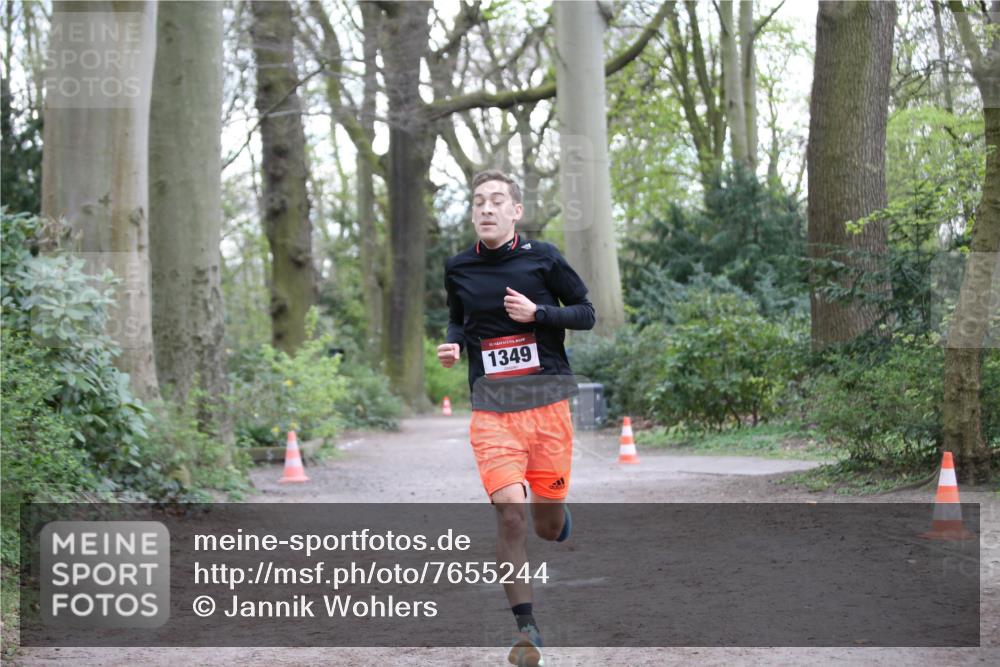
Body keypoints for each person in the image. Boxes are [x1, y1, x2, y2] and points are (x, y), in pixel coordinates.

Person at [438, 170, 596, 666]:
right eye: (478, 202)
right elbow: (459, 319)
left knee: (545, 525)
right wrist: (453, 344)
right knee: (509, 511)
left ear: (515, 211)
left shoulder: (544, 259)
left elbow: (587, 312)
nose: (485, 209)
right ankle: (528, 631)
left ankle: (556, 516)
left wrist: (538, 314)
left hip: (547, 406)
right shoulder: (458, 267)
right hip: (492, 410)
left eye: (496, 201)